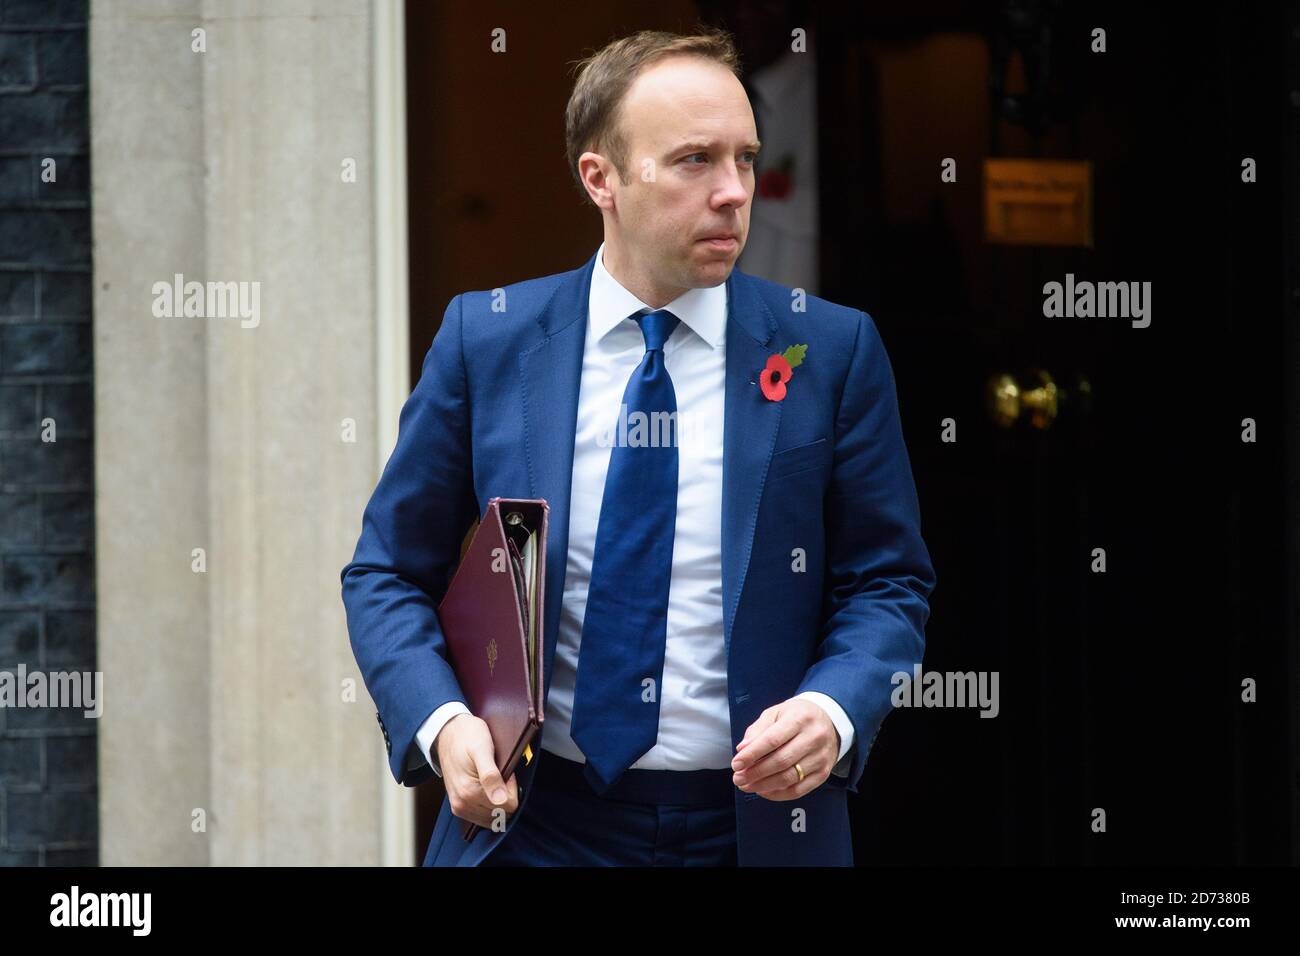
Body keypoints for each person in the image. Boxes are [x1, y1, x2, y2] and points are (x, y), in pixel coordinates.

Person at [340, 27, 935, 867]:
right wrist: (442, 726)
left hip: (757, 830)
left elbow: (889, 580)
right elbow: (387, 572)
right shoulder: (491, 340)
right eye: (695, 160)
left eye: (745, 157)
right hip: (536, 827)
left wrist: (835, 710)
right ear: (601, 178)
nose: (734, 191)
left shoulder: (829, 352)